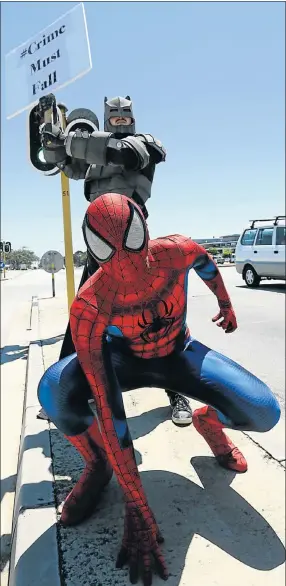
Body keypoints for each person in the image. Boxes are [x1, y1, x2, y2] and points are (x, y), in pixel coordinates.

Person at [38, 193, 280, 586]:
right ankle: (97, 464)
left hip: (179, 352)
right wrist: (137, 506)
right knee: (53, 389)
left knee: (265, 411)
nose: (126, 264)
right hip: (122, 360)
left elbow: (205, 263)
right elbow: (109, 409)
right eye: (106, 249)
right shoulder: (90, 305)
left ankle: (209, 424)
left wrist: (225, 302)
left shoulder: (176, 251)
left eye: (131, 240)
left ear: (145, 229)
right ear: (92, 251)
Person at [39, 95, 192, 426]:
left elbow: (122, 152)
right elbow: (68, 164)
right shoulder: (93, 154)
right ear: (107, 117)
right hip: (98, 243)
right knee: (83, 316)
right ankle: (63, 391)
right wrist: (52, 142)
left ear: (133, 117)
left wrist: (69, 140)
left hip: (134, 239)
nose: (120, 118)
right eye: (114, 115)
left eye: (125, 114)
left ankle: (177, 392)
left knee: (157, 318)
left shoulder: (145, 144)